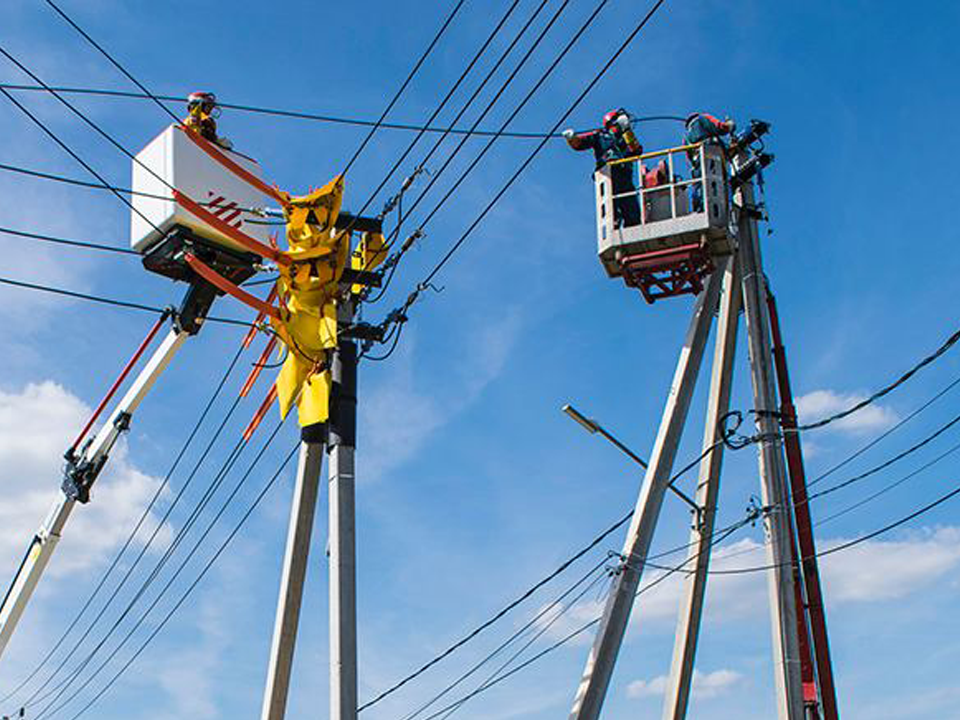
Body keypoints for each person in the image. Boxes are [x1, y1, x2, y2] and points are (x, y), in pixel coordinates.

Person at [563, 108, 643, 228]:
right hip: (608, 174)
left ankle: (632, 226)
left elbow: (636, 150)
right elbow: (580, 143)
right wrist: (571, 138)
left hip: (624, 176)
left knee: (632, 212)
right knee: (612, 208)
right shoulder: (600, 135)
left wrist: (627, 131)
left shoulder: (626, 138)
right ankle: (615, 222)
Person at [683, 112, 735, 211]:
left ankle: (699, 209)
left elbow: (688, 158)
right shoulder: (702, 119)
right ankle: (720, 209)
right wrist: (730, 124)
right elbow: (720, 127)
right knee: (717, 184)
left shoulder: (686, 137)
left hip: (697, 164)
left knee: (701, 186)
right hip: (712, 157)